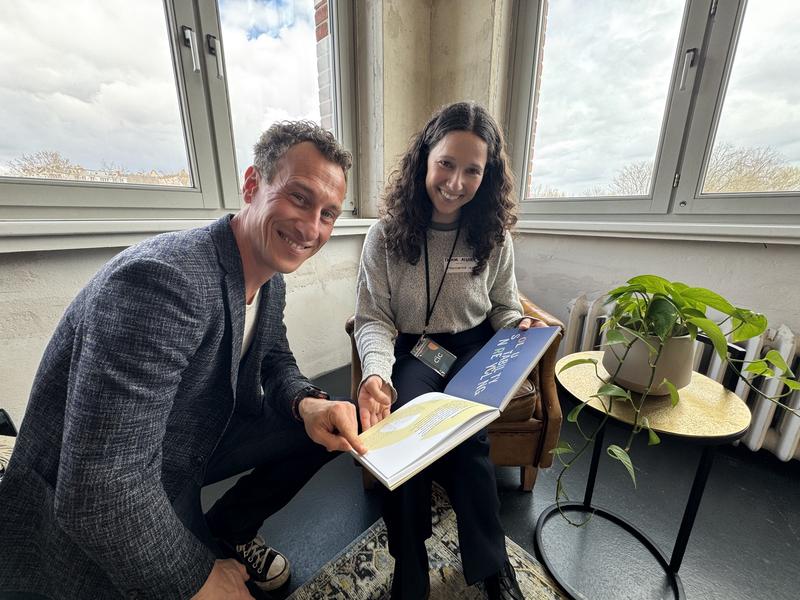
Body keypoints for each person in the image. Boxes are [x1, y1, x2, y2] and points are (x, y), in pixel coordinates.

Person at [0, 120, 367, 600]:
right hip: (95, 497)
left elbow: (274, 355)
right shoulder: (163, 282)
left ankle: (229, 531)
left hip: (189, 440)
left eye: (329, 213)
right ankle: (201, 549)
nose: (312, 227)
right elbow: (99, 490)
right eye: (300, 198)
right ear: (253, 184)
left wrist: (305, 403)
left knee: (327, 428)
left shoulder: (268, 276)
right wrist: (199, 580)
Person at [354, 102, 544, 600]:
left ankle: (491, 566)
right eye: (446, 164)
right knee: (406, 437)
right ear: (424, 159)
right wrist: (376, 372)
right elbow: (373, 318)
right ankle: (409, 564)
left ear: (488, 174)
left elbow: (503, 305)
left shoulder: (494, 235)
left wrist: (517, 328)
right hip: (414, 349)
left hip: (473, 345)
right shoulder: (384, 236)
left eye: (472, 170)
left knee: (471, 444)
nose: (456, 182)